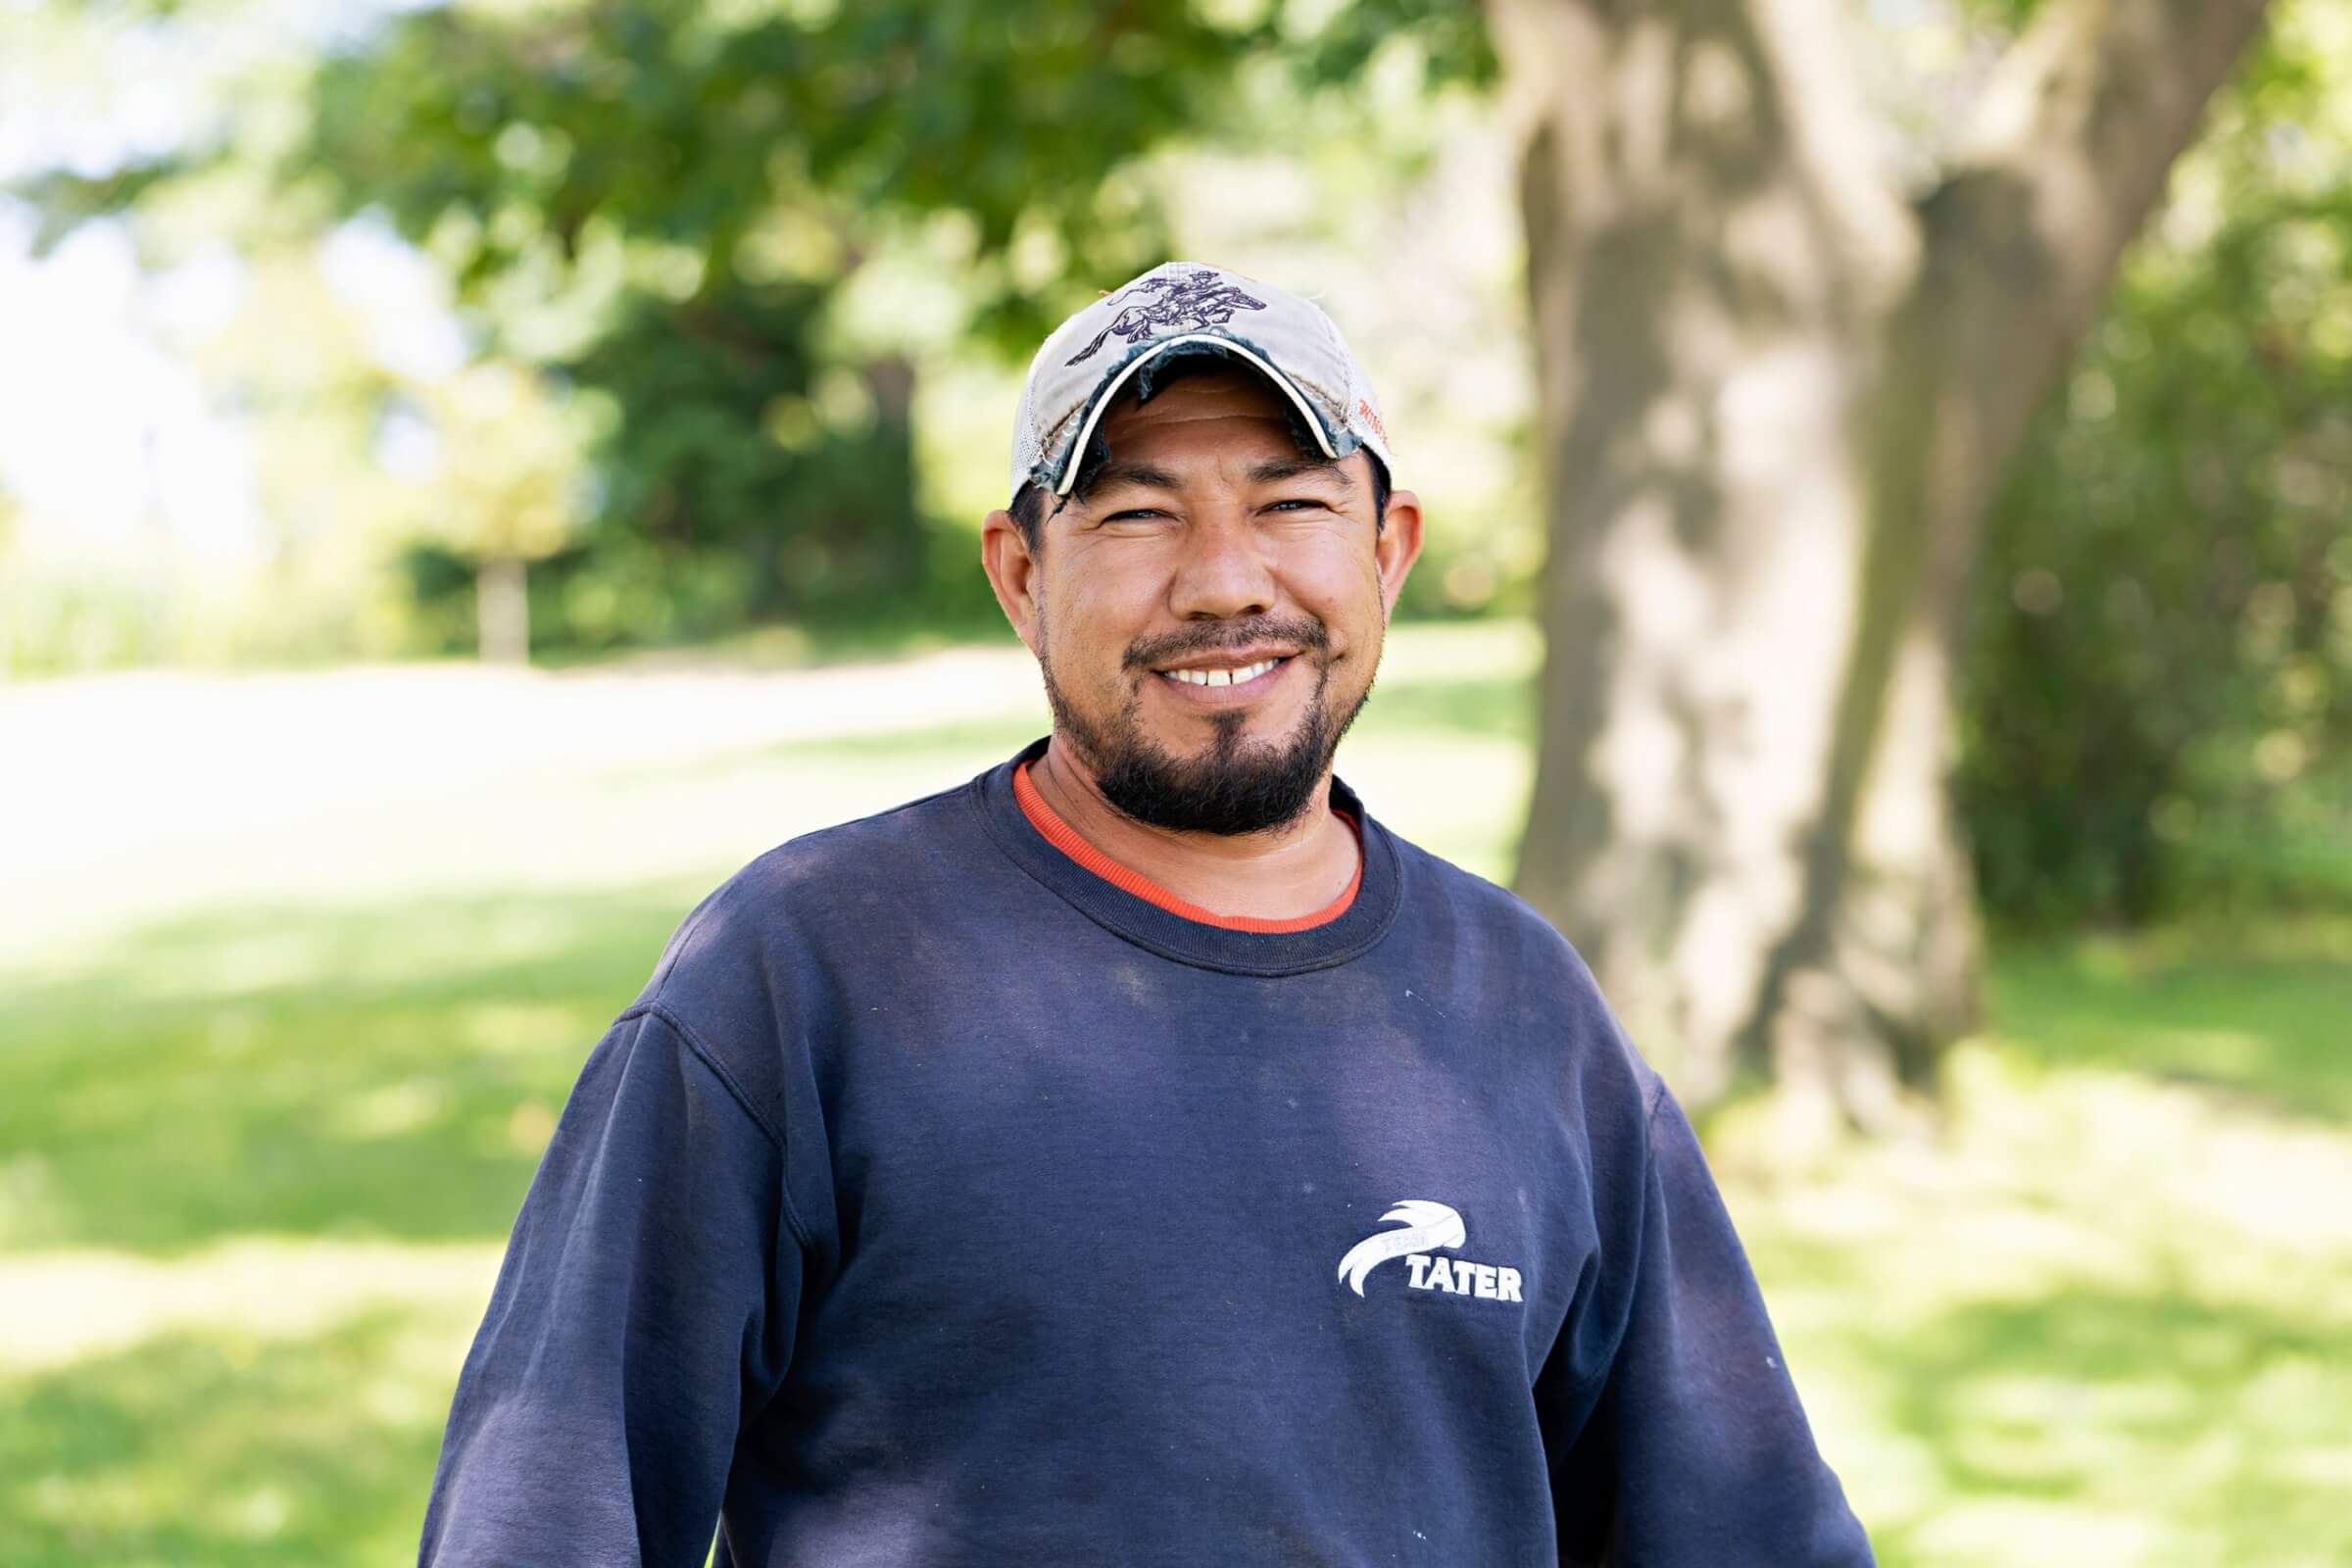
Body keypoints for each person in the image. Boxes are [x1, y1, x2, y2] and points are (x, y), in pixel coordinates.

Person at [416, 262, 1875, 1566]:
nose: (1225, 581)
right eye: (1135, 514)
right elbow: (547, 1514)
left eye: (1292, 503)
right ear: (1021, 574)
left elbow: (1741, 1527)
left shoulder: (1526, 1012)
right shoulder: (808, 976)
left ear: (1389, 549)